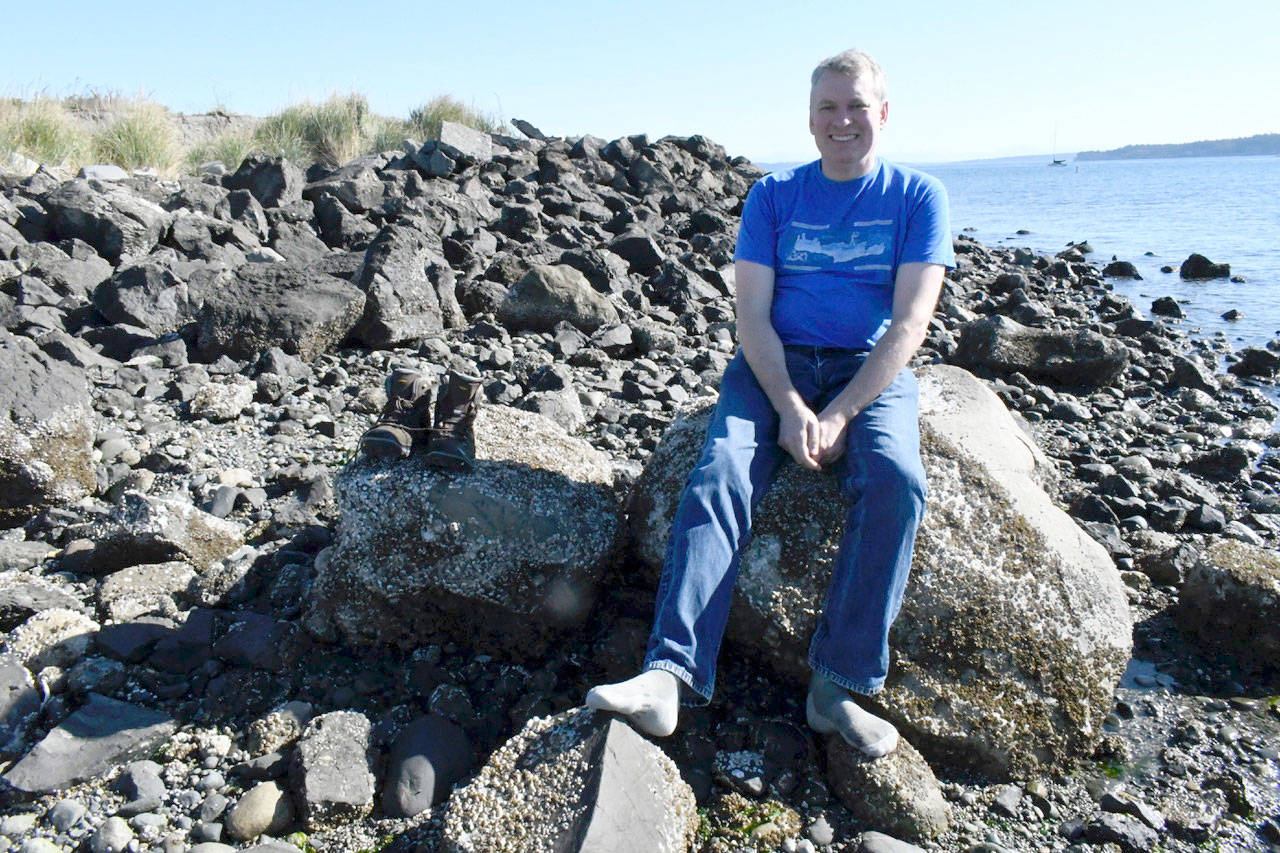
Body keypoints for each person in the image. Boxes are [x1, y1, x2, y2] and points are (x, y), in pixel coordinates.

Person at [586, 48, 954, 757]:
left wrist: (842, 412)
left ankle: (837, 685)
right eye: (828, 107)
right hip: (774, 361)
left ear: (883, 113)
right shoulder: (774, 196)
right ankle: (670, 674)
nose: (842, 121)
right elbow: (751, 316)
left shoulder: (917, 197)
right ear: (810, 118)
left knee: (897, 481)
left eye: (856, 106)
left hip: (867, 367)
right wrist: (788, 404)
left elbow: (910, 323)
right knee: (722, 469)